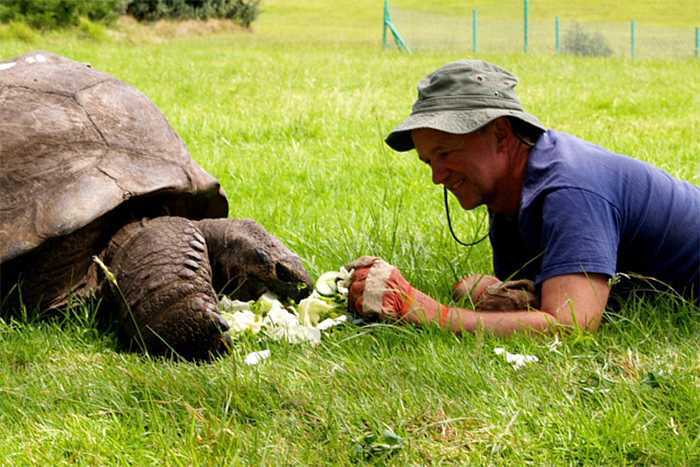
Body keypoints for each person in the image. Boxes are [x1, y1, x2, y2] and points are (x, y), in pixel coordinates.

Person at [347, 59, 699, 335]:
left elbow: (571, 325)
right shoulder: (509, 192)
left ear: (500, 134)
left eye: (446, 153)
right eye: (428, 161)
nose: (437, 176)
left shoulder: (569, 188)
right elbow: (533, 296)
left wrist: (426, 311)